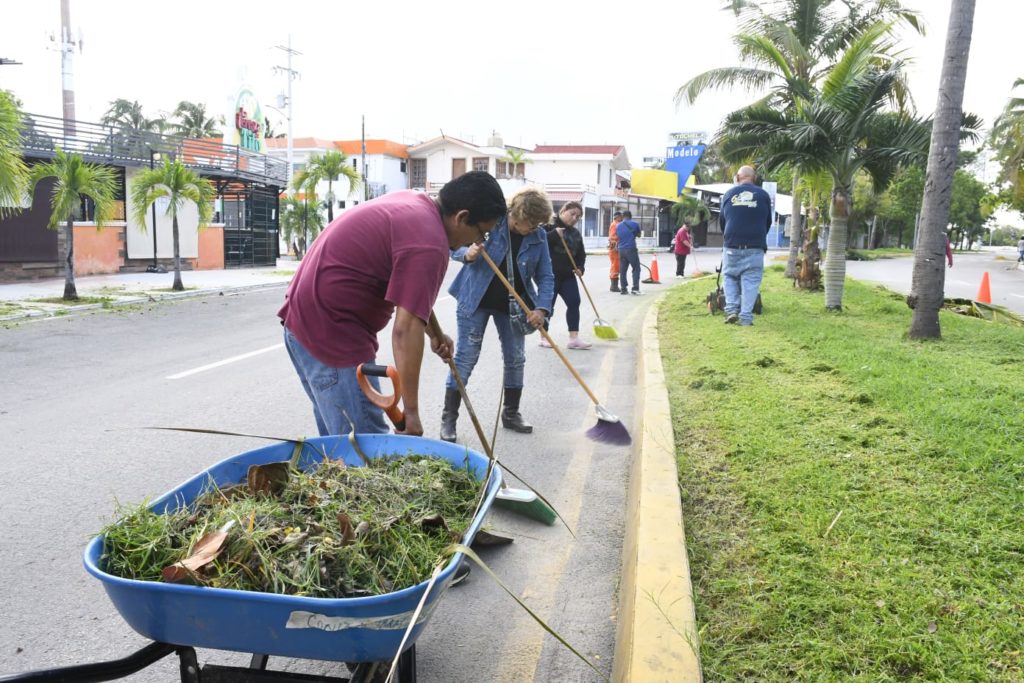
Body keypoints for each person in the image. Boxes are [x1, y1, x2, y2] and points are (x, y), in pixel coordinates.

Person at [279, 171, 507, 437]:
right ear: (462, 217)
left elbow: (411, 294)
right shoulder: (429, 243)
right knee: (364, 447)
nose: (478, 243)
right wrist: (411, 414)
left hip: (302, 320)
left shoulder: (416, 203)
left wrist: (435, 332)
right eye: (482, 233)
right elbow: (405, 329)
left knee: (340, 441)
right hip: (330, 331)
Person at [439, 186, 555, 443]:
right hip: (475, 299)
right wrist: (464, 254)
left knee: (516, 358)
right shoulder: (492, 221)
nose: (534, 228)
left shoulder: (539, 237)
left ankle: (511, 414)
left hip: (514, 306)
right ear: (517, 215)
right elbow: (451, 242)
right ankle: (449, 418)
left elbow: (545, 275)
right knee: (466, 357)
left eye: (538, 224)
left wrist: (541, 308)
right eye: (531, 223)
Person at [721, 165, 772, 326]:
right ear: (754, 178)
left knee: (729, 276)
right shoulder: (764, 195)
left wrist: (729, 238)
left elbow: (723, 221)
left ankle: (731, 310)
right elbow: (768, 221)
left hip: (732, 244)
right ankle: (746, 317)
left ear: (737, 177)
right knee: (751, 281)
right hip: (755, 245)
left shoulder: (729, 194)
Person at [541, 201, 591, 350]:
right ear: (563, 211)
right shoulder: (548, 226)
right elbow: (539, 243)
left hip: (568, 276)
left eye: (578, 217)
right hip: (549, 275)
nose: (574, 218)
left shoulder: (575, 234)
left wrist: (580, 268)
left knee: (574, 302)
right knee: (547, 306)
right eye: (572, 214)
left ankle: (573, 338)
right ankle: (544, 337)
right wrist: (554, 235)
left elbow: (581, 254)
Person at [616, 210, 643, 295]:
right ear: (631, 216)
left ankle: (623, 289)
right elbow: (639, 235)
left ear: (623, 216)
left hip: (621, 249)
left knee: (623, 270)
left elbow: (618, 236)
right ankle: (635, 289)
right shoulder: (635, 224)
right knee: (636, 268)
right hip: (631, 249)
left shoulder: (618, 226)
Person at [608, 210, 622, 291]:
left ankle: (614, 285)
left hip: (615, 248)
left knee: (616, 265)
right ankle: (614, 286)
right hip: (614, 248)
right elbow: (612, 237)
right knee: (615, 266)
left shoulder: (617, 224)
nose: (622, 218)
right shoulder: (614, 225)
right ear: (617, 217)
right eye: (620, 217)